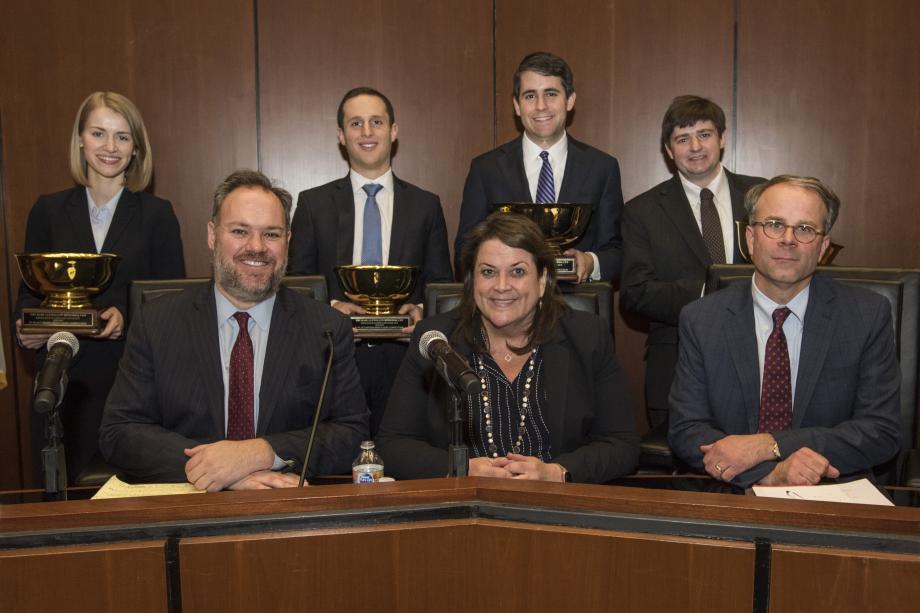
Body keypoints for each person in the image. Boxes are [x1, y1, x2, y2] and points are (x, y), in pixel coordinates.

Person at [99, 170, 369, 490]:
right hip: (188, 509)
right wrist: (219, 471)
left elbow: (353, 433)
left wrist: (261, 452)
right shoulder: (157, 322)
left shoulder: (325, 328)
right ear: (212, 235)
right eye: (240, 231)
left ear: (288, 242)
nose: (256, 247)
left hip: (286, 511)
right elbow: (121, 431)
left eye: (271, 234)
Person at [668, 175, 900, 488]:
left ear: (823, 248)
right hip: (730, 491)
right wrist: (770, 473)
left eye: (804, 229)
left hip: (833, 492)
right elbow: (687, 430)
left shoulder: (866, 315)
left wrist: (770, 444)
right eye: (775, 224)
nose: (788, 239)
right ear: (750, 239)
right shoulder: (701, 319)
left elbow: (880, 432)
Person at [377, 213, 639, 483]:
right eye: (488, 272)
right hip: (464, 505)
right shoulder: (435, 340)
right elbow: (393, 444)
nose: (501, 286)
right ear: (471, 281)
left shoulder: (587, 336)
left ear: (542, 281)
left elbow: (622, 445)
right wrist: (461, 468)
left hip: (553, 507)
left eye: (518, 271)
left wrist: (555, 472)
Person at [15, 91, 185, 484]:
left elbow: (172, 304)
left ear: (136, 148)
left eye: (122, 137)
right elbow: (28, 293)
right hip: (60, 387)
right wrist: (26, 330)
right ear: (80, 139)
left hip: (131, 386)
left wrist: (127, 318)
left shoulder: (157, 216)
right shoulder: (48, 210)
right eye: (98, 133)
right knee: (60, 509)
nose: (110, 147)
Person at [288, 87, 452, 436]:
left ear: (393, 131)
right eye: (356, 123)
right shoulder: (313, 205)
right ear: (340, 135)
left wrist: (420, 310)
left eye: (376, 122)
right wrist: (333, 308)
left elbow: (441, 283)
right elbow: (297, 284)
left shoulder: (426, 205)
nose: (366, 132)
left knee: (401, 459)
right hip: (335, 359)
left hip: (406, 362)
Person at [621, 95, 765, 429]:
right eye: (682, 139)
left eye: (705, 134)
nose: (695, 146)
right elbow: (634, 293)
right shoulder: (641, 211)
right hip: (679, 368)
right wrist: (711, 290)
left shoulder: (763, 196)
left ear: (722, 138)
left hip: (762, 361)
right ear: (669, 151)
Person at [454, 52, 623, 284]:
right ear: (517, 105)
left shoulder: (602, 168)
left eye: (551, 94)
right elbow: (465, 251)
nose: (541, 106)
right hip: (506, 308)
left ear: (570, 100)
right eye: (530, 96)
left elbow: (616, 251)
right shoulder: (486, 169)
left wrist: (591, 262)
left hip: (577, 309)